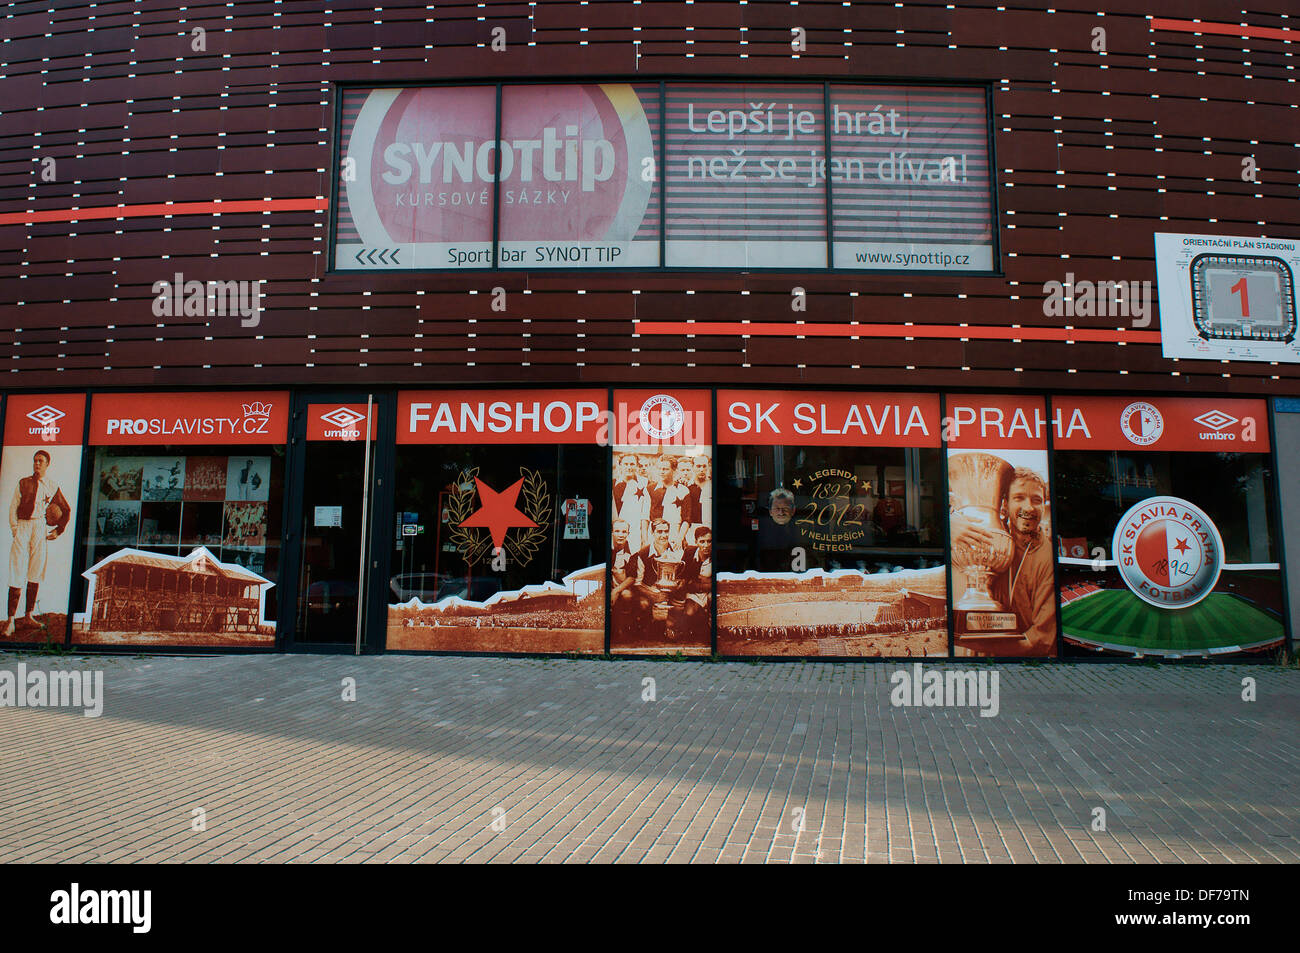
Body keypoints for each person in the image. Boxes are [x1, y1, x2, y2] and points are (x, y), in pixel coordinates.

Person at [950, 467, 1054, 655]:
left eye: (1036, 500)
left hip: (1025, 667)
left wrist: (980, 645)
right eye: (1019, 497)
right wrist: (950, 522)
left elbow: (1039, 640)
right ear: (1004, 505)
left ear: (1043, 506)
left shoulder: (1048, 557)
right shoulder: (992, 540)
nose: (1029, 507)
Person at [5, 450, 70, 635]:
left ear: (48, 464)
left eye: (41, 461)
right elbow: (13, 507)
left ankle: (28, 615)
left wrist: (58, 530)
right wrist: (16, 529)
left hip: (39, 528)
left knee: (36, 570)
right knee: (17, 569)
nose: (37, 464)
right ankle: (10, 620)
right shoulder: (23, 483)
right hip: (23, 526)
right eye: (35, 460)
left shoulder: (52, 485)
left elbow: (66, 510)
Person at [757, 487, 801, 571]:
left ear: (793, 510)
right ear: (770, 511)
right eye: (777, 508)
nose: (781, 513)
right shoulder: (760, 534)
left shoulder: (803, 532)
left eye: (785, 508)